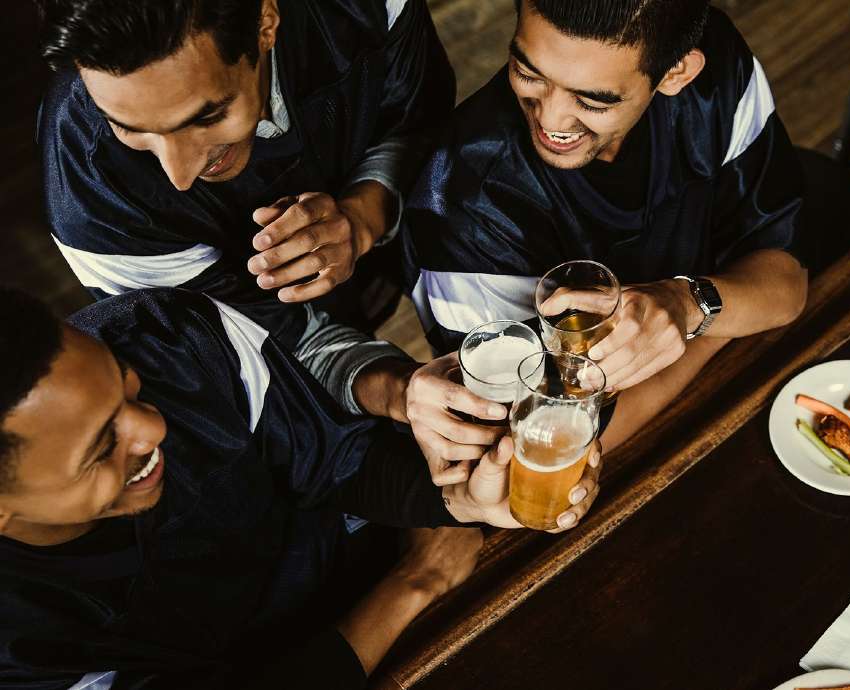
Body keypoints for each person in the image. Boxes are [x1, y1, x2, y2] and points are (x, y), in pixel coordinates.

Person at [0, 286, 600, 689]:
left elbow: (335, 453)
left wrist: (459, 499)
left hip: (361, 555)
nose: (154, 427)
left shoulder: (170, 334)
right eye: (102, 449)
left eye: (129, 388)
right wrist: (413, 585)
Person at [36, 0, 510, 484]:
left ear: (265, 22)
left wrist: (364, 213)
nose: (179, 175)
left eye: (207, 116)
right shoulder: (88, 194)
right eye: (131, 131)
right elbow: (246, 355)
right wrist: (398, 390)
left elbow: (421, 115)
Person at [404, 0, 809, 448]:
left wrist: (686, 306)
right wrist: (719, 321)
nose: (551, 119)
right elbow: (541, 439)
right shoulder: (461, 203)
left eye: (593, 99)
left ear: (677, 73)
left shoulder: (718, 63)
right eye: (528, 72)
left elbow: (787, 285)